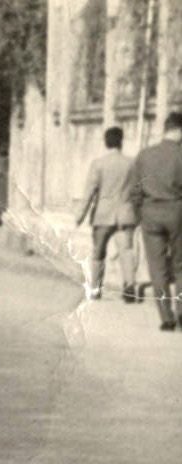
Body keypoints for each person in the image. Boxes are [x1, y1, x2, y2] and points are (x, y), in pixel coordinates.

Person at [127, 111, 182, 330]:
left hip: (150, 214)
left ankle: (166, 319)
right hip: (177, 212)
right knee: (180, 266)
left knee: (157, 268)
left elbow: (134, 191)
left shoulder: (144, 155)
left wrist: (140, 215)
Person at [77, 126, 139, 303]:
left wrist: (80, 215)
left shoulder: (98, 163)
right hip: (125, 214)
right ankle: (129, 286)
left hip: (102, 216)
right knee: (126, 250)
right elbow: (137, 190)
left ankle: (95, 289)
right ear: (121, 141)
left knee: (98, 252)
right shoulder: (132, 163)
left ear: (106, 142)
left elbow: (90, 190)